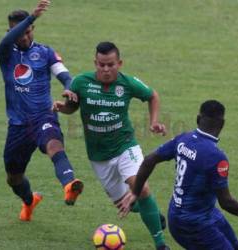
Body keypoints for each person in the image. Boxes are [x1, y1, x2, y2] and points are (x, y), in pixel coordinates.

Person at [53, 41, 169, 250]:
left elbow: (152, 95)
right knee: (128, 204)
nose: (106, 69)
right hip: (98, 157)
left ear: (119, 63)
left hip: (125, 146)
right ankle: (150, 212)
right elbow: (72, 107)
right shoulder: (81, 83)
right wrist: (63, 107)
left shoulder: (127, 84)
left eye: (111, 65)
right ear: (95, 63)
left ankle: (160, 243)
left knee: (140, 187)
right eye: (101, 65)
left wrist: (153, 122)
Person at [118, 100, 238, 249]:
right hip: (192, 225)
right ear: (222, 123)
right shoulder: (216, 157)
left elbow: (149, 160)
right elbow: (226, 203)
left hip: (200, 213)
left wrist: (135, 191)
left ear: (198, 119)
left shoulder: (183, 139)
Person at [0, 0, 83, 222]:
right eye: (19, 32)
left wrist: (68, 89)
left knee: (54, 144)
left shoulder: (45, 53)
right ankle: (29, 201)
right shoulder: (5, 53)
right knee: (13, 178)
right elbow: (6, 41)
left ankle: (70, 184)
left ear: (33, 30)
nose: (24, 37)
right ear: (11, 32)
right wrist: (31, 16)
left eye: (28, 31)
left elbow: (65, 76)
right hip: (17, 125)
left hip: (43, 116)